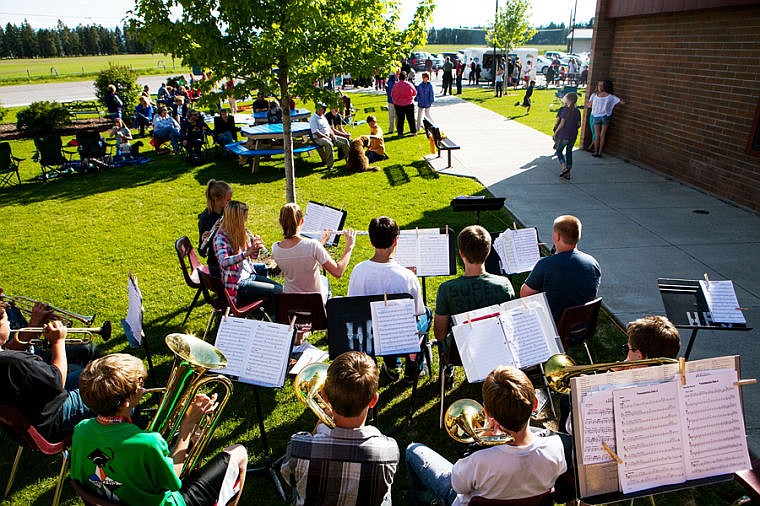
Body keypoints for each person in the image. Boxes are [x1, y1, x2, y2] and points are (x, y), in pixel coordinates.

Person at [71, 353, 248, 506]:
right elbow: (174, 482)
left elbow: (82, 477)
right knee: (239, 453)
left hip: (118, 497)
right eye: (139, 384)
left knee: (189, 438)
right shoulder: (149, 443)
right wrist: (187, 427)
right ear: (126, 402)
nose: (143, 388)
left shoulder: (81, 429)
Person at [406, 365, 566, 505]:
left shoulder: (478, 461)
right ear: (535, 404)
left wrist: (478, 443)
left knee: (413, 451)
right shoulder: (556, 448)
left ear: (487, 413)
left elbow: (457, 485)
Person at [280, 351, 399, 506]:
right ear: (373, 400)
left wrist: (320, 424)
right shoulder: (389, 450)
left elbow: (289, 478)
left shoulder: (299, 447)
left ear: (324, 395)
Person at [348, 216, 430, 381]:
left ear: (371, 241)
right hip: (399, 336)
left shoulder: (358, 271)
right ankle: (414, 366)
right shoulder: (408, 276)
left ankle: (392, 365)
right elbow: (417, 313)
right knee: (426, 313)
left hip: (369, 336)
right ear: (395, 241)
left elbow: (352, 308)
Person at [434, 226, 516, 388]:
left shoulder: (446, 289)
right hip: (496, 347)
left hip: (460, 353)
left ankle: (447, 372)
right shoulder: (504, 285)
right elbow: (510, 326)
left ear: (461, 253)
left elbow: (440, 334)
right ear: (488, 251)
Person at [0, 304, 92, 442]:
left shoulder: (11, 360)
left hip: (27, 418)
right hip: (51, 420)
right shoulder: (18, 362)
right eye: (6, 320)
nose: (9, 323)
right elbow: (58, 382)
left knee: (86, 371)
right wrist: (58, 342)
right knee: (108, 384)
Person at [520, 215, 601, 324]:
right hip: (582, 325)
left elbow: (525, 295)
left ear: (557, 236)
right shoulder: (593, 263)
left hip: (552, 325)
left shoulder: (546, 264)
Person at [272, 202, 356, 304]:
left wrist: (322, 242)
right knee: (324, 280)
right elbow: (338, 272)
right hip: (314, 304)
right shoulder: (313, 245)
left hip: (290, 301)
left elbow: (298, 253)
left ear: (280, 222)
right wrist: (349, 246)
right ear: (302, 221)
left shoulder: (275, 248)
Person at [214, 200, 282, 307]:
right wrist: (245, 253)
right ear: (235, 220)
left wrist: (255, 248)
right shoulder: (220, 238)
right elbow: (223, 261)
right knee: (278, 291)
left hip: (250, 275)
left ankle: (272, 315)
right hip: (238, 284)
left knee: (279, 288)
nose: (245, 222)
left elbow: (252, 257)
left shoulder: (240, 233)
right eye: (244, 219)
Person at [198, 179, 233, 278]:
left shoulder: (224, 211)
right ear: (216, 199)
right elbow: (202, 252)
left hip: (229, 256)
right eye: (228, 200)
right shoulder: (205, 219)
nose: (230, 203)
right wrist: (205, 241)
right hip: (217, 266)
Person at [587, 80, 625, 158]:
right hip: (606, 116)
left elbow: (590, 105)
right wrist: (612, 105)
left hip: (596, 116)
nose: (600, 87)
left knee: (597, 135)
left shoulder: (596, 95)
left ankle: (596, 152)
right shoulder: (610, 96)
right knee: (602, 135)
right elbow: (622, 102)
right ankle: (600, 152)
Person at [310, 103, 348, 170]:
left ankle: (349, 160)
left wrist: (332, 133)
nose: (325, 110)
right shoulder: (313, 119)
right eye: (323, 109)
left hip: (328, 136)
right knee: (329, 144)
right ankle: (330, 165)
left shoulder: (323, 117)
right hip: (319, 138)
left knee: (345, 141)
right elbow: (316, 132)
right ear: (318, 109)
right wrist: (326, 137)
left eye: (325, 109)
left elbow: (328, 127)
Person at [553, 92, 581, 180]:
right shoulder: (577, 111)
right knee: (569, 152)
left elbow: (562, 124)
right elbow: (579, 124)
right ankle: (568, 173)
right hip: (573, 135)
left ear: (570, 100)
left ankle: (564, 168)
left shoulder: (565, 110)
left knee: (559, 151)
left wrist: (555, 133)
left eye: (566, 98)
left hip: (564, 134)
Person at [390, 71, 417, 136]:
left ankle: (400, 133)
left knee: (400, 119)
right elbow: (414, 93)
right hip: (408, 104)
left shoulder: (395, 85)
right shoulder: (409, 84)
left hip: (398, 104)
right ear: (405, 77)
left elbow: (392, 94)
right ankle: (413, 131)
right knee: (411, 119)